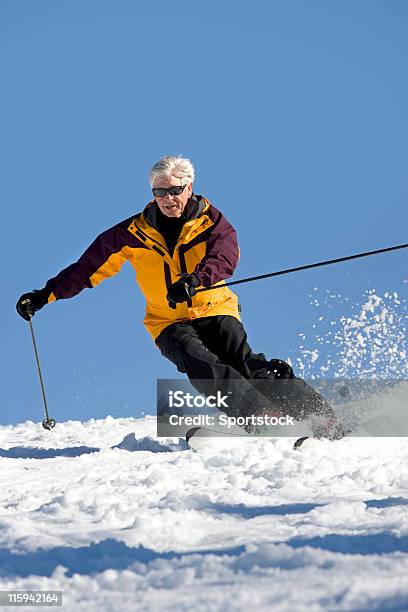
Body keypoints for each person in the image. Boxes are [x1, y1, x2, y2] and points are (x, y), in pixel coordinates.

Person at [16, 155, 339, 437]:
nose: (168, 198)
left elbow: (224, 258)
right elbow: (87, 269)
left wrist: (196, 280)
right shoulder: (130, 233)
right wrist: (46, 295)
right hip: (166, 320)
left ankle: (320, 417)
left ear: (189, 187)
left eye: (174, 190)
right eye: (159, 191)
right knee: (198, 361)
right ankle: (263, 419)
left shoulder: (212, 222)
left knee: (243, 362)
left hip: (213, 307)